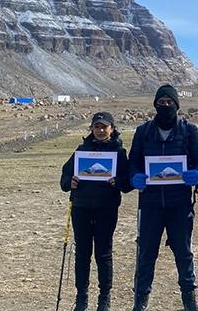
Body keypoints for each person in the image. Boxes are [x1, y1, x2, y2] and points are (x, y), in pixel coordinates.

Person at [126, 84, 198, 311]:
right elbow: (133, 161)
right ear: (155, 105)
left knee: (184, 253)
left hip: (179, 204)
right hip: (150, 204)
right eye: (160, 102)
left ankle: (190, 301)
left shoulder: (189, 130)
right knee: (145, 254)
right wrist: (134, 177)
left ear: (176, 105)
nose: (165, 105)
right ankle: (140, 302)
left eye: (169, 102)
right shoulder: (143, 132)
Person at [60, 112, 131, 311]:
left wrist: (119, 182)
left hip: (106, 209)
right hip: (81, 208)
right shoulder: (81, 150)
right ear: (91, 129)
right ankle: (81, 297)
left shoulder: (119, 153)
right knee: (82, 253)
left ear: (112, 129)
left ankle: (104, 297)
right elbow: (65, 178)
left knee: (104, 253)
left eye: (104, 127)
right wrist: (70, 182)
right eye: (97, 127)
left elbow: (128, 183)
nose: (100, 130)